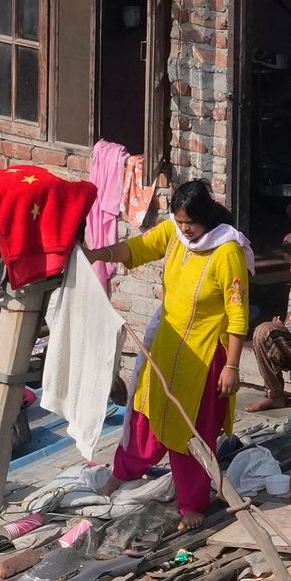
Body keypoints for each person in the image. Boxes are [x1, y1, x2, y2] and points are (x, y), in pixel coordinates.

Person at [81, 179, 252, 515]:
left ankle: (192, 506)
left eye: (191, 223)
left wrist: (232, 367)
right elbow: (138, 248)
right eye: (181, 222)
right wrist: (97, 255)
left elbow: (238, 314)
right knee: (147, 414)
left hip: (204, 358)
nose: (185, 229)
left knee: (191, 432)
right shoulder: (174, 232)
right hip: (166, 346)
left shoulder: (227, 251)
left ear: (206, 218)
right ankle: (122, 473)